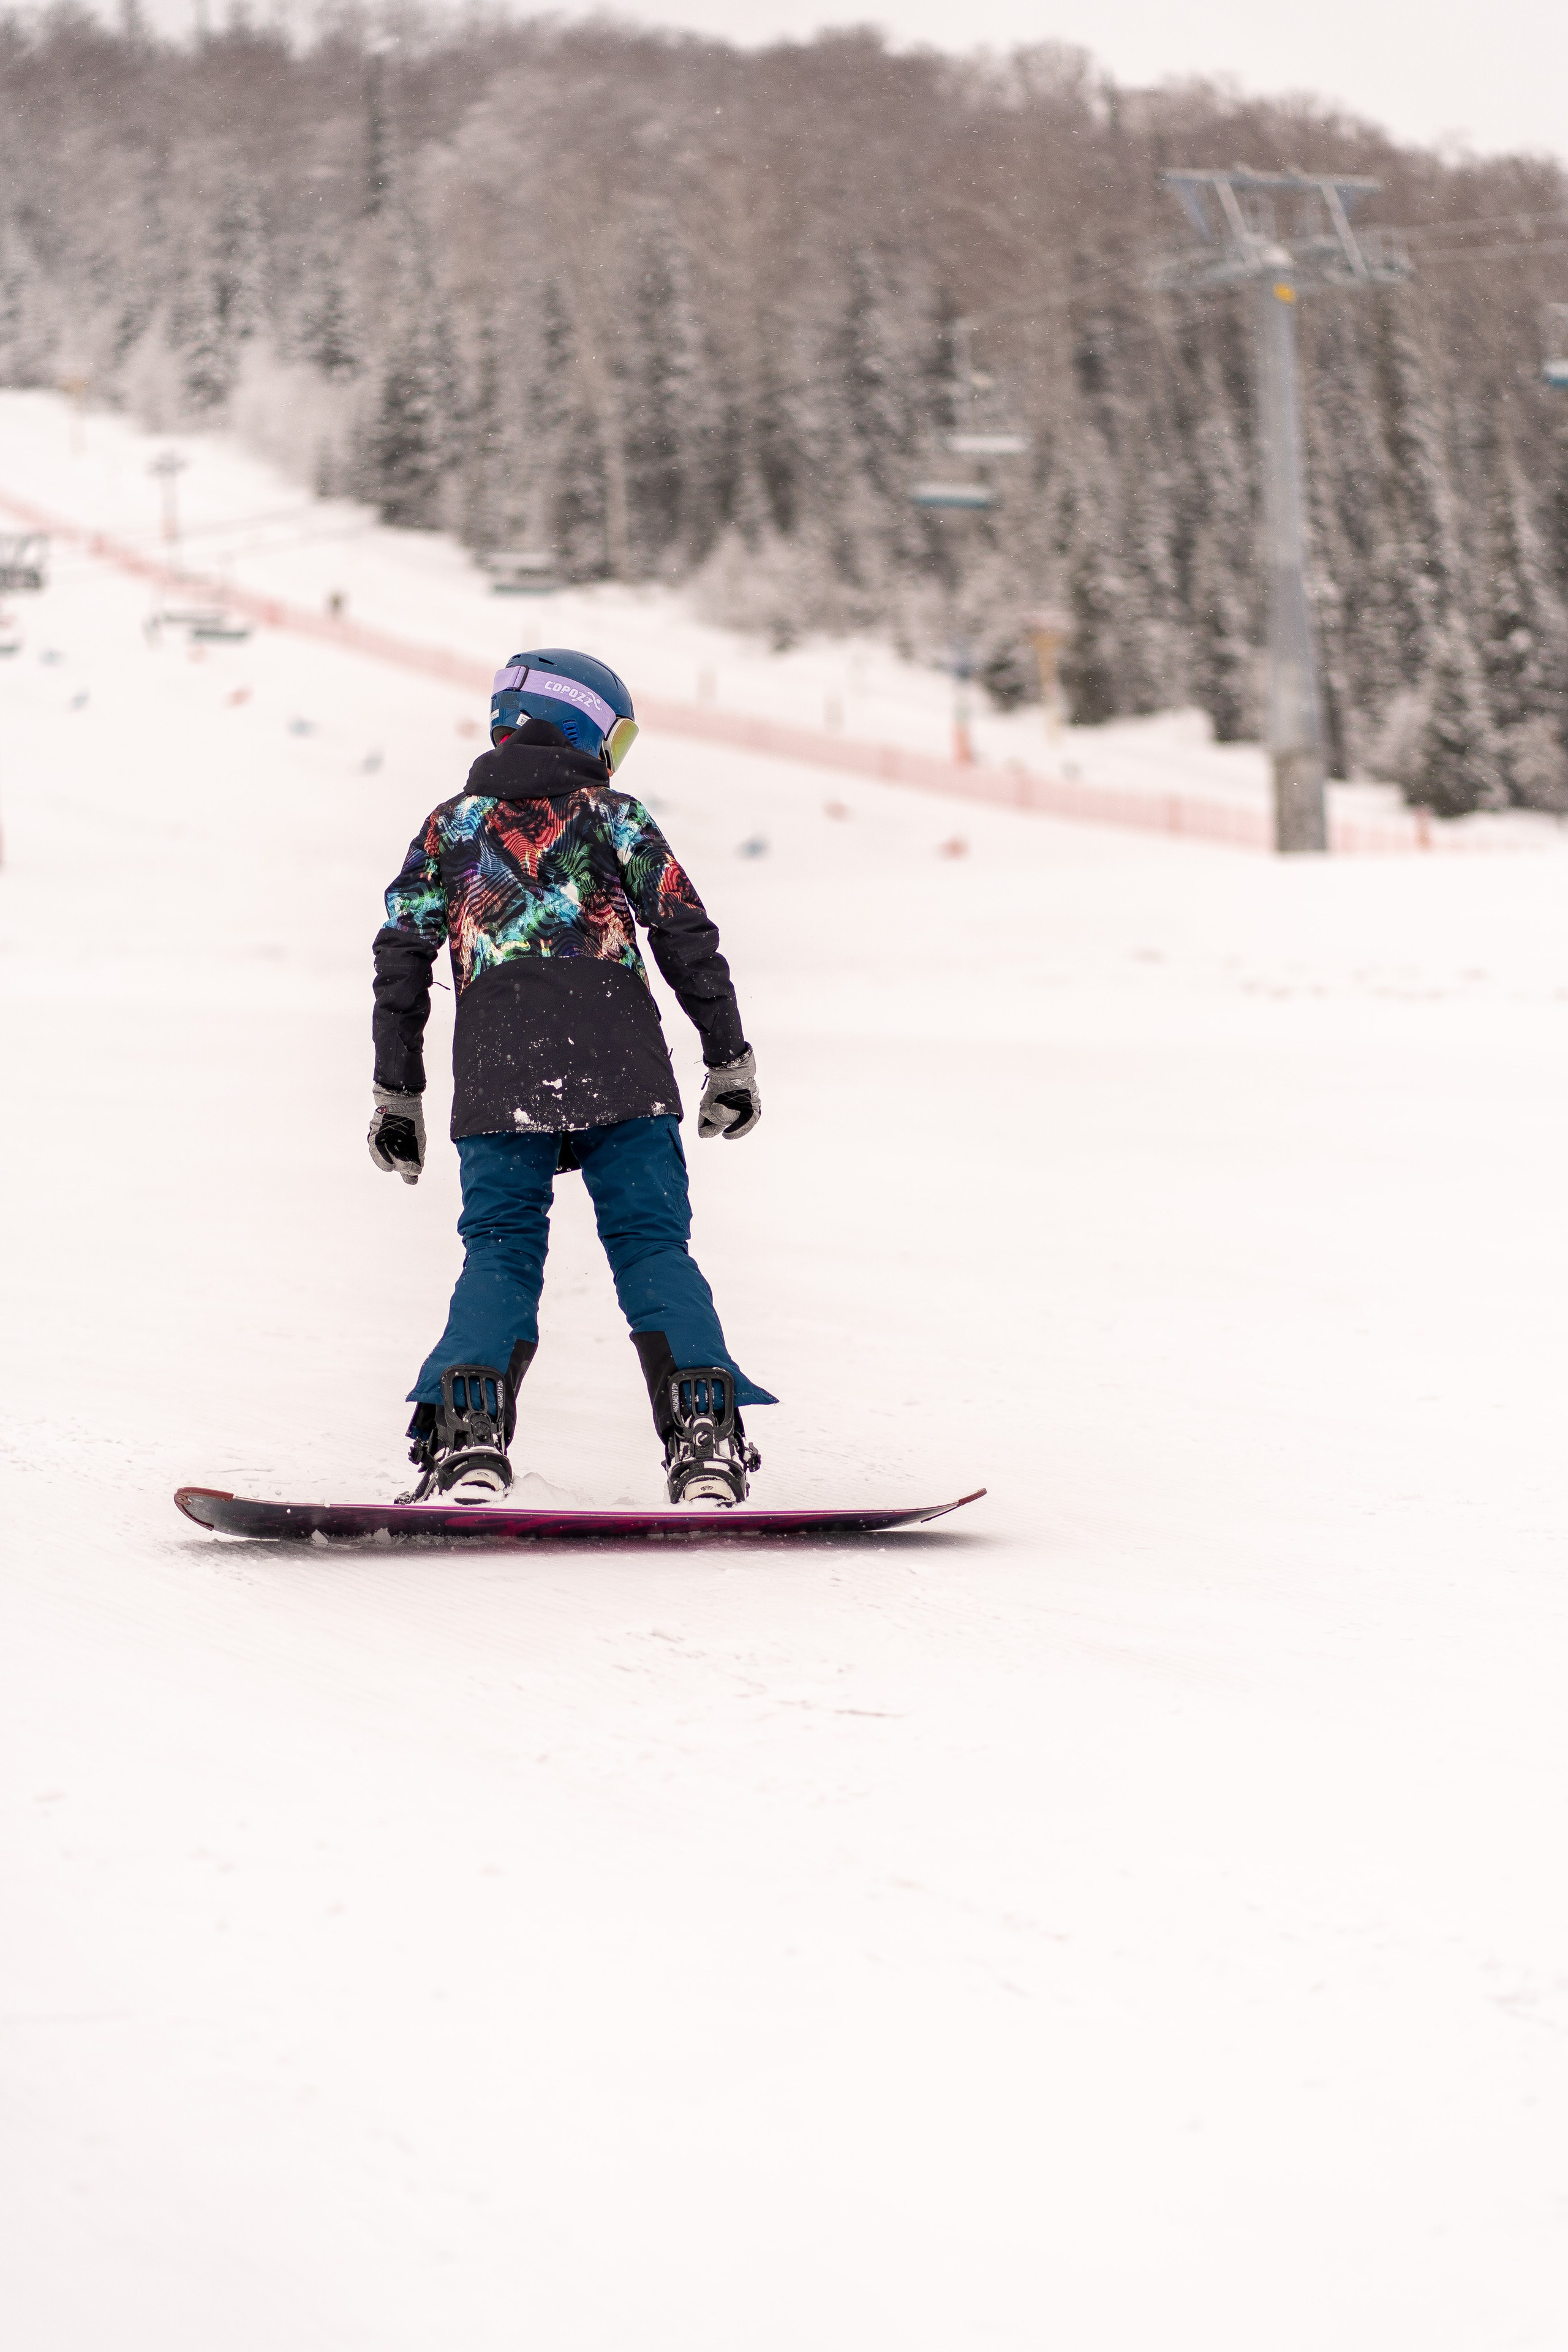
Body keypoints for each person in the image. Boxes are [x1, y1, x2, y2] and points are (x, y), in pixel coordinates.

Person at [368, 647, 771, 1507]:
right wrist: (727, 1057)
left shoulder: (450, 828)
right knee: (654, 1246)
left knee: (502, 1249)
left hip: (498, 1070)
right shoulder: (616, 817)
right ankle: (705, 1441)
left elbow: (401, 956)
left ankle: (468, 1442)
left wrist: (397, 1091)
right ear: (591, 725)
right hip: (624, 1067)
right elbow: (686, 934)